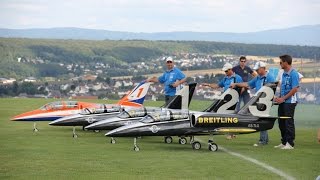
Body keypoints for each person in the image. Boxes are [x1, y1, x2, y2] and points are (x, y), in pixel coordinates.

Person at [230, 61, 275, 146]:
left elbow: (271, 91)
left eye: (258, 69)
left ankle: (263, 141)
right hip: (258, 101)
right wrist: (236, 84)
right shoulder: (258, 77)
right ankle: (264, 140)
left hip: (265, 101)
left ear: (263, 68)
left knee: (261, 119)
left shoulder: (270, 77)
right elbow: (248, 84)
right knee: (260, 119)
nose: (257, 71)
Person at [202, 62, 243, 140]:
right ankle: (230, 133)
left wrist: (237, 96)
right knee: (226, 116)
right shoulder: (225, 78)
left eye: (226, 71)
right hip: (225, 100)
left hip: (233, 100)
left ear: (230, 70)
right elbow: (218, 85)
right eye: (225, 71)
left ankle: (232, 134)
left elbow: (242, 87)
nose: (225, 72)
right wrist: (208, 85)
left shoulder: (237, 78)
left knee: (232, 117)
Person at [274, 54, 300, 150]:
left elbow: (294, 89)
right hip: (283, 101)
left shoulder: (294, 74)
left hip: (290, 102)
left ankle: (290, 143)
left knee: (288, 122)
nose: (280, 64)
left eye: (281, 62)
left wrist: (283, 98)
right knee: (281, 122)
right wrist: (279, 98)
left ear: (285, 62)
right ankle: (284, 142)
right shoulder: (283, 74)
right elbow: (283, 88)